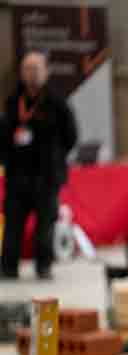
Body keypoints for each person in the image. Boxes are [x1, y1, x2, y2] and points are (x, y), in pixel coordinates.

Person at [1, 50, 78, 280]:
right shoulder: (13, 101)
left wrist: (54, 157)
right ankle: (8, 266)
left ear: (46, 72)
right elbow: (3, 134)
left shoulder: (57, 102)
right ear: (21, 72)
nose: (32, 73)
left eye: (36, 68)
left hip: (46, 175)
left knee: (45, 223)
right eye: (27, 68)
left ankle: (43, 266)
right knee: (14, 222)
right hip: (17, 174)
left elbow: (70, 136)